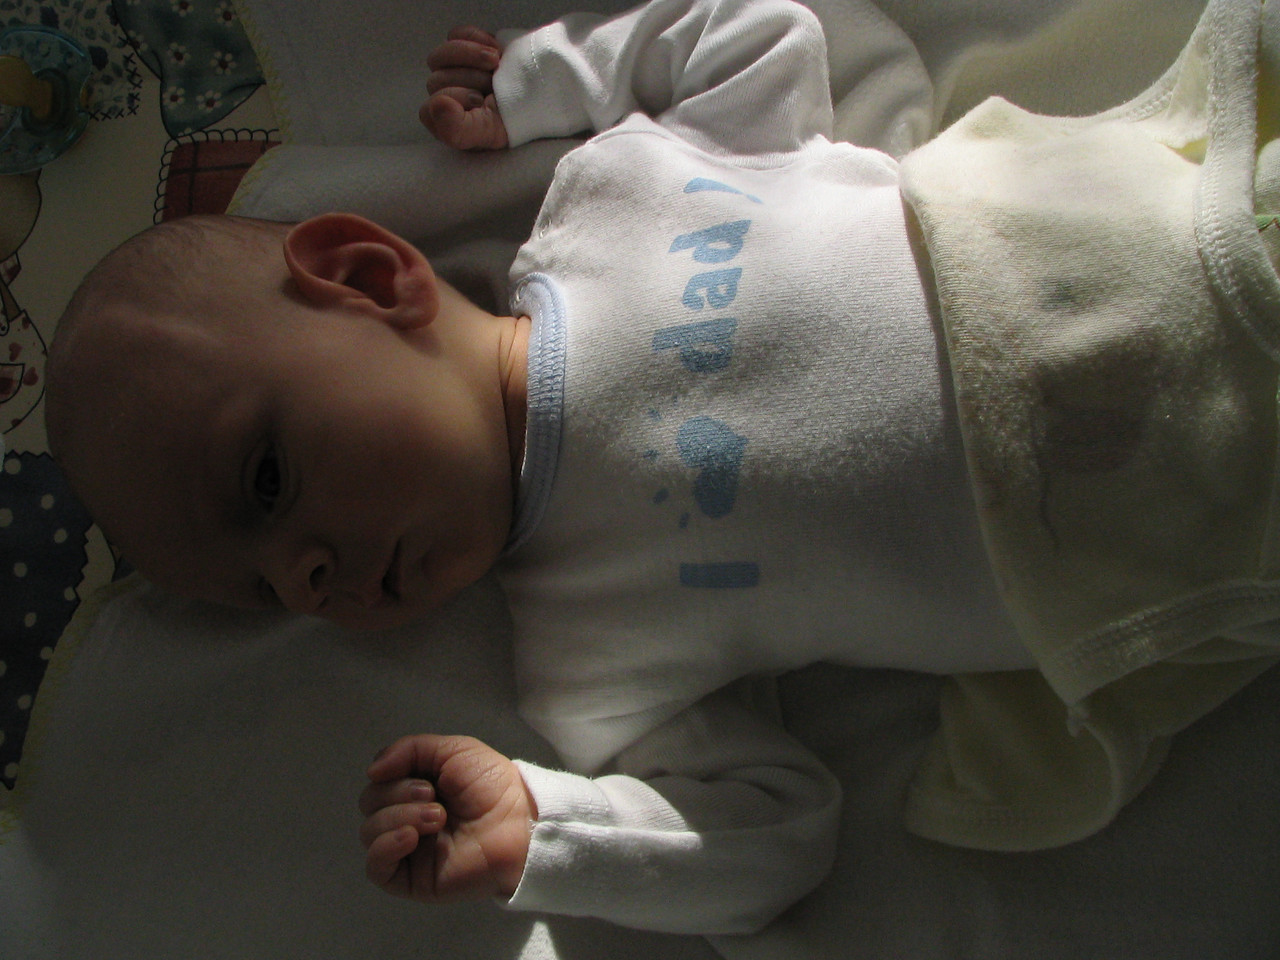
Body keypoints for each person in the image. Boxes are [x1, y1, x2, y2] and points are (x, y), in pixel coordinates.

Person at [45, 0, 1280, 937]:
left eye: (265, 482)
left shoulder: (611, 197)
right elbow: (773, 836)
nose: (307, 576)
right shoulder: (586, 664)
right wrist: (548, 833)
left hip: (1143, 241)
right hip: (1178, 541)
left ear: (368, 278)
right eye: (265, 591)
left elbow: (762, 34)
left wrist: (547, 80)